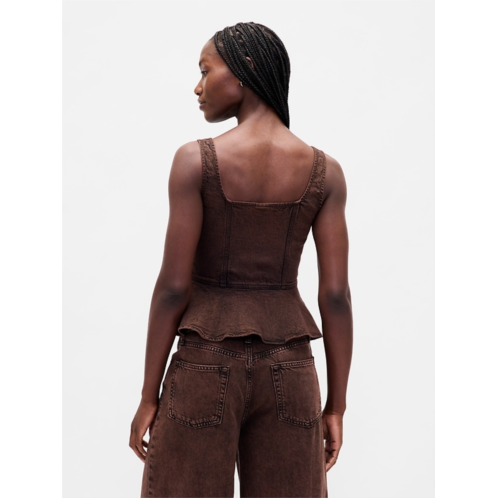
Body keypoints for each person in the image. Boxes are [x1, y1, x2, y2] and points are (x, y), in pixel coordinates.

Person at [129, 22, 353, 498]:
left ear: (244, 70)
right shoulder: (326, 172)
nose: (198, 87)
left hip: (203, 364)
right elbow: (335, 296)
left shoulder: (195, 161)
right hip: (291, 369)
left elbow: (173, 288)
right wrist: (336, 405)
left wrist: (149, 395)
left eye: (205, 70)